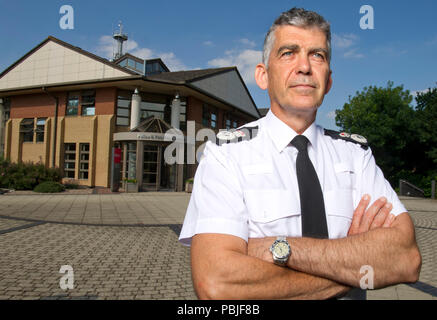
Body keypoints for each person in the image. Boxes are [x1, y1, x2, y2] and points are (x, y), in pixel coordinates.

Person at [178, 7, 421, 300]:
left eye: (317, 55)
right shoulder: (225, 155)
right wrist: (355, 266)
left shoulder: (355, 156)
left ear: (328, 80)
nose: (304, 66)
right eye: (288, 52)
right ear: (263, 75)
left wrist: (277, 248)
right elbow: (218, 286)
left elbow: (405, 259)